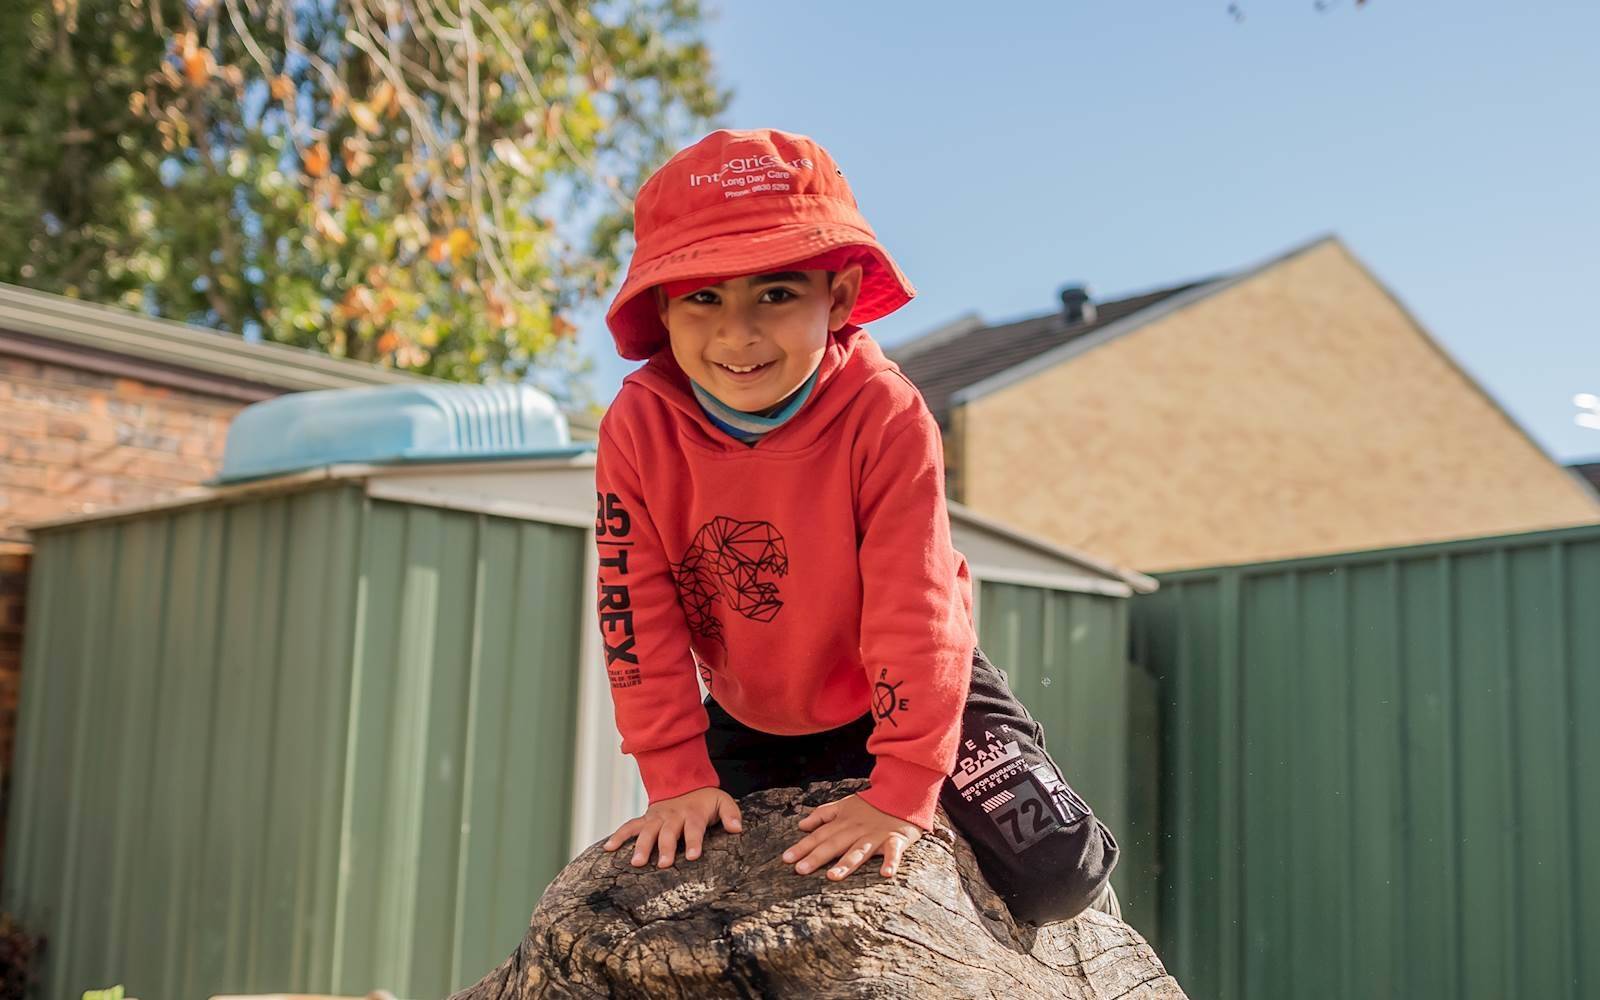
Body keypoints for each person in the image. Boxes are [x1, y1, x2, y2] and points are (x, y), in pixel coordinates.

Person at [593, 127, 1119, 924]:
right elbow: (634, 606)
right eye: (703, 297)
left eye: (775, 293)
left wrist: (905, 788)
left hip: (911, 687)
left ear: (836, 297)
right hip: (757, 708)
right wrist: (678, 777)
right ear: (662, 307)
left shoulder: (885, 413)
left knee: (1056, 876)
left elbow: (917, 606)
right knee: (695, 904)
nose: (737, 332)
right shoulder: (638, 427)